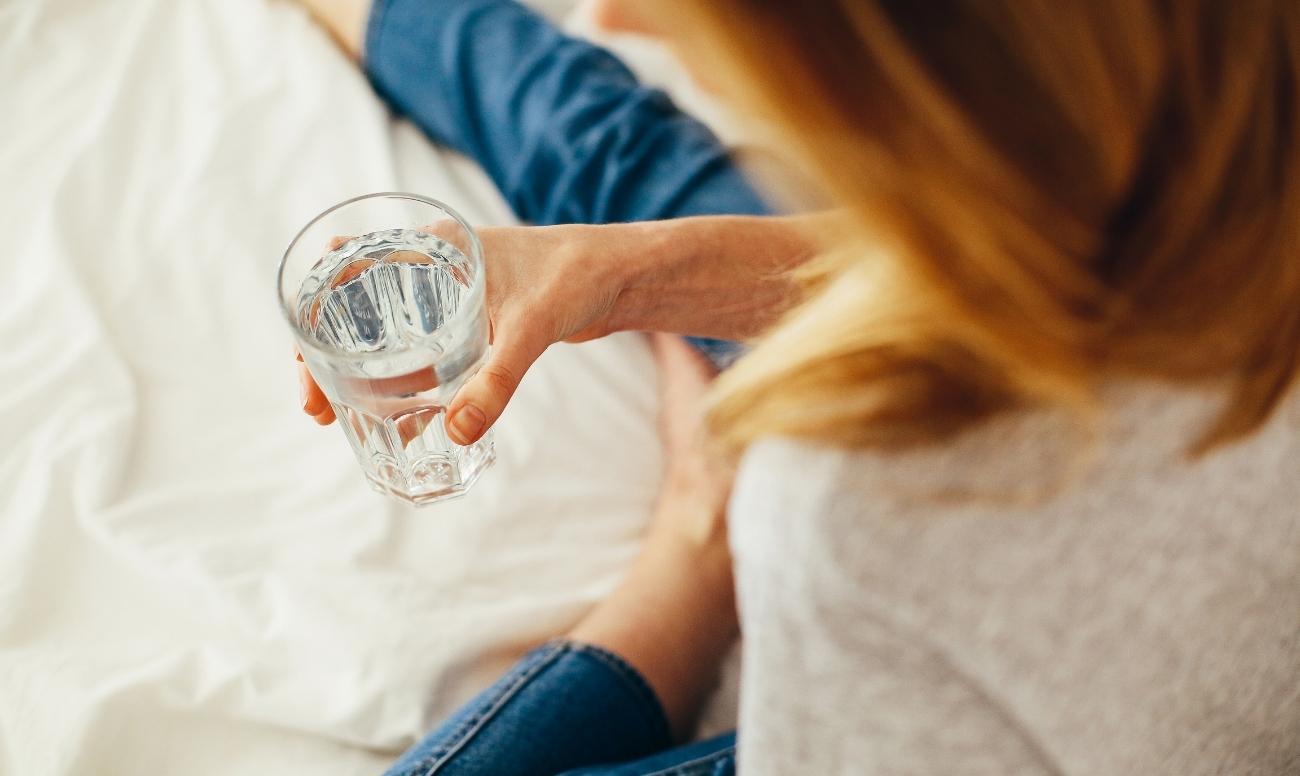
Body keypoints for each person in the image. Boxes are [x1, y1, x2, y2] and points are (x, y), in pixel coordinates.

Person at [295, 1, 1300, 774]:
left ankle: (694, 547)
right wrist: (628, 273)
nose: (614, 13)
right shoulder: (1224, 107)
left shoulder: (856, 513)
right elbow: (1047, 273)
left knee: (614, 150)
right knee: (617, 162)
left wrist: (750, 519)